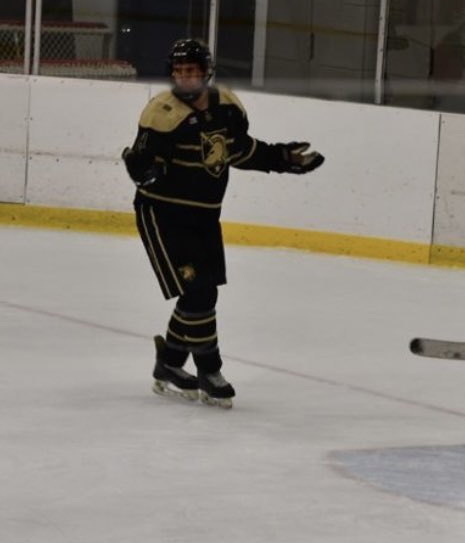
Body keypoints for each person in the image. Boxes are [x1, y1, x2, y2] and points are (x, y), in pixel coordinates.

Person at [122, 38, 325, 408]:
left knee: (203, 294)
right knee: (198, 293)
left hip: (204, 216)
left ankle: (168, 365)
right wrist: (142, 168)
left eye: (192, 71)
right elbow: (141, 163)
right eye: (179, 72)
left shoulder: (228, 107)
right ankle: (210, 372)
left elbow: (239, 151)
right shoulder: (162, 113)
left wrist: (283, 159)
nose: (185, 78)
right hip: (163, 216)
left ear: (206, 73)